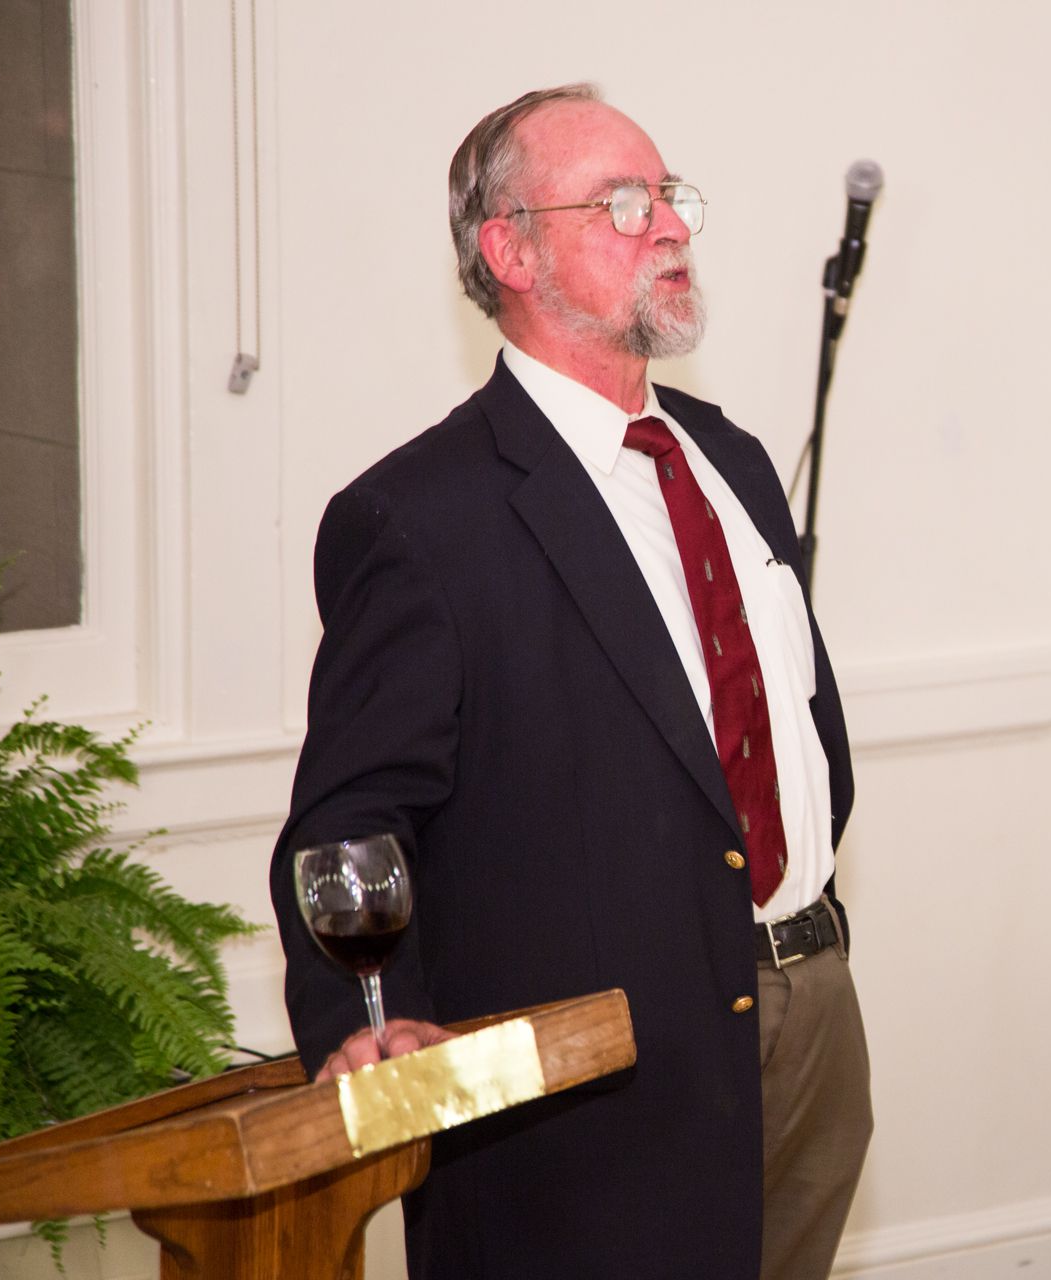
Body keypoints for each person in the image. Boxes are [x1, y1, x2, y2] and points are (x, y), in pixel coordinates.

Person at [267, 82, 870, 1280]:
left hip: (813, 1014)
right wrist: (368, 1022)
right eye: (624, 202)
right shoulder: (421, 519)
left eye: (672, 197)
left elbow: (796, 730)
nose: (671, 226)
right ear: (513, 249)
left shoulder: (735, 462)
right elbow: (348, 818)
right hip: (596, 1096)